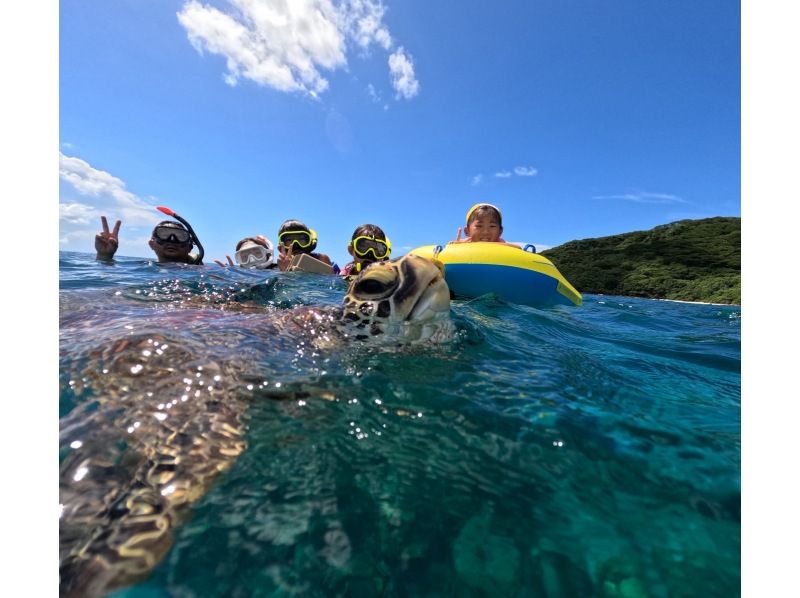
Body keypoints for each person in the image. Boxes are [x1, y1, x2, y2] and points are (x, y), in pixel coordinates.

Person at [94, 215, 204, 264]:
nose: (171, 240)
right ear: (152, 244)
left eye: (180, 236)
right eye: (163, 234)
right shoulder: (141, 268)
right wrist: (104, 256)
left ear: (189, 247)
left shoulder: (201, 271)